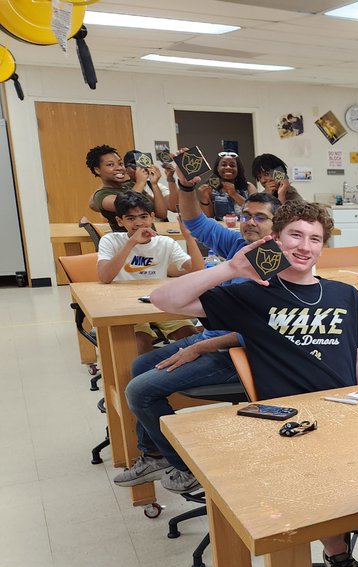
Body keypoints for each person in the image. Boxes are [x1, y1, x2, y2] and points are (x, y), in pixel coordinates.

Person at [150, 199, 358, 567]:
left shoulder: (344, 295)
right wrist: (231, 268)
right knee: (320, 478)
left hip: (349, 409)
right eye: (295, 236)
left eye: (315, 239)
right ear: (275, 239)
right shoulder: (253, 295)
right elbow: (164, 300)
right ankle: (338, 555)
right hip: (292, 421)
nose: (305, 246)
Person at [112, 170, 282, 495]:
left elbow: (263, 332)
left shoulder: (274, 264)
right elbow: (194, 220)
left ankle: (185, 467)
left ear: (278, 226)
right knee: (138, 366)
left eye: (260, 218)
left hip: (237, 353)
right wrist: (186, 186)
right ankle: (155, 453)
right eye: (246, 215)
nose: (249, 222)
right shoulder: (238, 243)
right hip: (210, 338)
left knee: (139, 391)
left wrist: (198, 348)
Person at [96, 191, 203, 354]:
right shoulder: (110, 240)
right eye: (131, 218)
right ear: (119, 221)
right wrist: (132, 242)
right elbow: (105, 276)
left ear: (152, 217)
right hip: (127, 307)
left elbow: (198, 271)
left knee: (191, 339)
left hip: (159, 304)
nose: (139, 223)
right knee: (141, 346)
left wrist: (188, 237)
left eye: (143, 216)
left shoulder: (165, 242)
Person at [87, 144, 166, 229]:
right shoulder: (102, 195)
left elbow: (161, 213)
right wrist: (140, 182)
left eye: (120, 163)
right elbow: (128, 206)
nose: (119, 168)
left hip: (150, 238)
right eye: (110, 165)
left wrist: (154, 184)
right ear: (97, 170)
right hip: (126, 240)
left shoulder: (131, 185)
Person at [199, 152, 250, 220]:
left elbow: (255, 210)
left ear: (238, 169)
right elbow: (208, 217)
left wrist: (234, 194)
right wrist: (205, 198)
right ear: (218, 168)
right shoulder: (210, 188)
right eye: (224, 165)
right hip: (220, 229)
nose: (228, 167)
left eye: (232, 165)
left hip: (243, 228)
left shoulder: (248, 187)